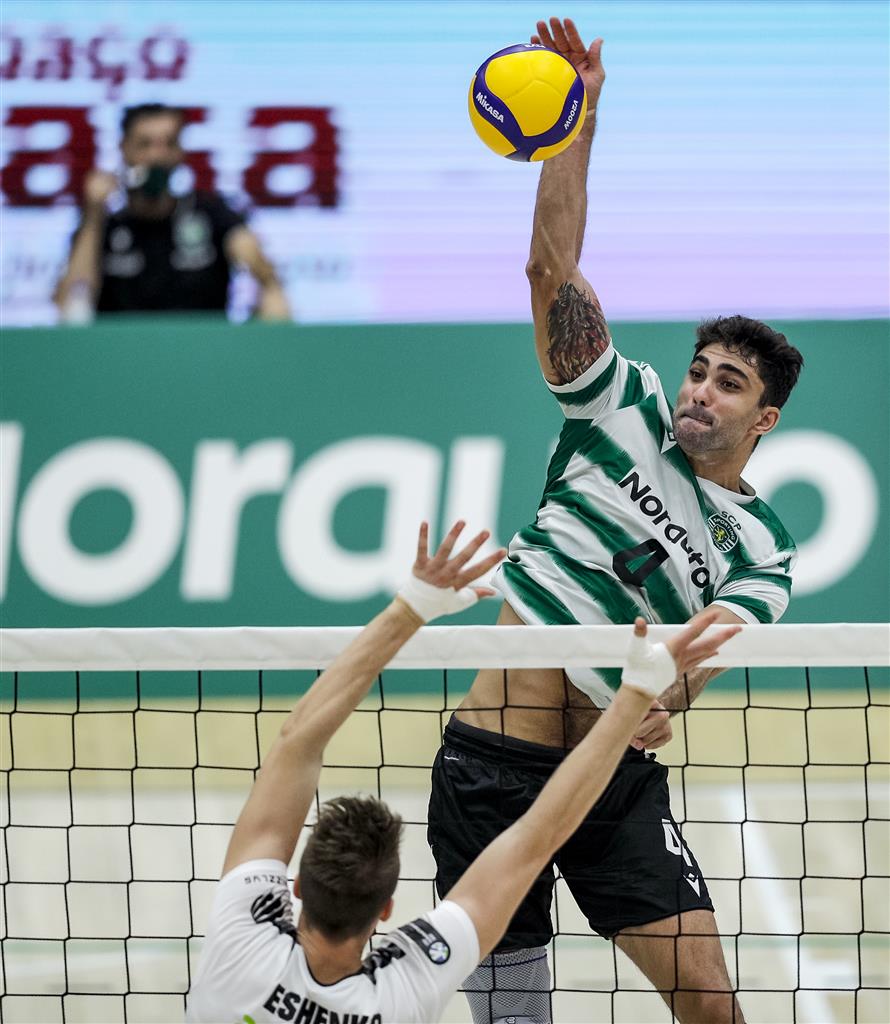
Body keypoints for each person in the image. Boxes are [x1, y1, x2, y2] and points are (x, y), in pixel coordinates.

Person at [427, 17, 805, 1024]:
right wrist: (574, 126)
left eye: (728, 383)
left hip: (610, 780)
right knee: (516, 1019)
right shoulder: (619, 404)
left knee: (710, 1004)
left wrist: (667, 693)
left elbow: (703, 649)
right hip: (490, 770)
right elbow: (550, 275)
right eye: (699, 370)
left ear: (762, 419)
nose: (701, 389)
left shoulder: (765, 549)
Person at [186, 520, 739, 1023]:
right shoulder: (404, 987)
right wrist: (635, 693)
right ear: (385, 909)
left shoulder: (241, 944)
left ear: (298, 887)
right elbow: (534, 836)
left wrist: (408, 610)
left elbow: (294, 742)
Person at [53, 103, 289, 321]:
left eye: (169, 144)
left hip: (203, 349)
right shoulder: (103, 225)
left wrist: (265, 280)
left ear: (180, 153)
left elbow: (264, 273)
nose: (157, 156)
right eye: (145, 144)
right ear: (124, 149)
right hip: (120, 350)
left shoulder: (212, 215)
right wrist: (94, 214)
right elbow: (68, 304)